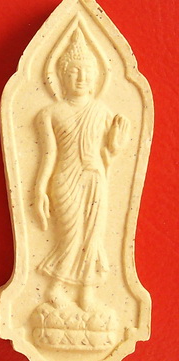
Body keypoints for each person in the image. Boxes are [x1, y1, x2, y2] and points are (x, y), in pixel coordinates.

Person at [35, 28, 129, 310]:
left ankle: (86, 293)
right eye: (74, 71)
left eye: (87, 72)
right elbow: (48, 155)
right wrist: (39, 190)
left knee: (93, 236)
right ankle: (54, 289)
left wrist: (115, 146)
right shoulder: (50, 113)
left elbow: (108, 155)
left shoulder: (102, 112)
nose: (81, 77)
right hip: (65, 180)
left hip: (95, 179)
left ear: (96, 77)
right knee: (70, 236)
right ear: (63, 76)